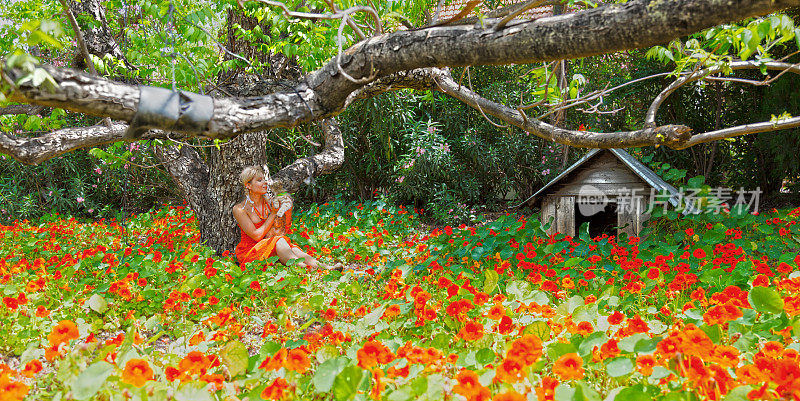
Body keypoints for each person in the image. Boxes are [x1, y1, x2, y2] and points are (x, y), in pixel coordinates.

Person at [233, 166, 334, 270]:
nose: (265, 183)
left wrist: (288, 210)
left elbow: (283, 230)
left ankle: (325, 267)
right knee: (279, 241)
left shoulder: (271, 202)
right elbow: (257, 236)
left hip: (271, 246)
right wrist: (273, 213)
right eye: (259, 180)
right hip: (251, 252)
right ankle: (303, 268)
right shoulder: (240, 209)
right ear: (248, 185)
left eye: (264, 179)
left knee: (293, 249)